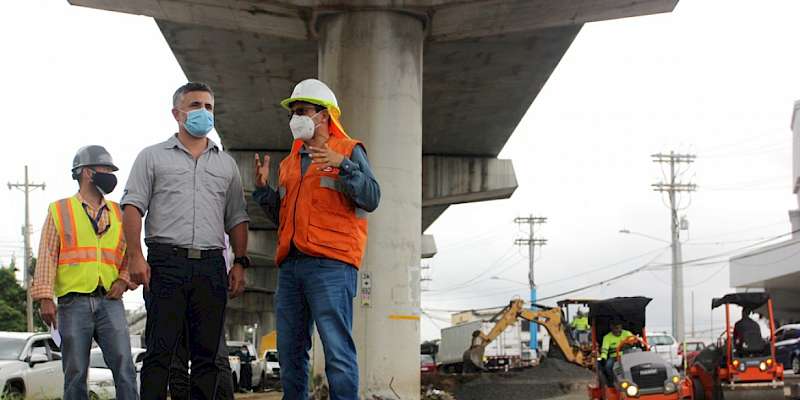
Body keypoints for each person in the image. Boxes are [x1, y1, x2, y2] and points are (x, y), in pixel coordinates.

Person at [253, 78, 381, 400]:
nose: (295, 118)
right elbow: (286, 219)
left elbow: (372, 197)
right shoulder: (288, 164)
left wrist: (345, 166)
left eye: (302, 111)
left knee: (337, 350)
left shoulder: (348, 150)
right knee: (290, 352)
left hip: (332, 265)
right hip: (291, 267)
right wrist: (263, 192)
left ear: (323, 115)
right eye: (292, 112)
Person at [122, 81, 251, 400]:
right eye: (195, 105)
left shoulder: (226, 164)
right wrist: (135, 256)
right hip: (166, 264)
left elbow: (237, 217)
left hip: (211, 267)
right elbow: (133, 206)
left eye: (209, 107)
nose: (203, 112)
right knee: (160, 352)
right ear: (176, 113)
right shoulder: (152, 157)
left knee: (208, 357)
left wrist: (240, 262)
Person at [30, 145, 138, 400]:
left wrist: (123, 280)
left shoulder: (119, 213)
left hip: (110, 301)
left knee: (124, 366)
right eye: (106, 169)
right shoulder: (60, 210)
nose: (111, 176)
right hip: (73, 303)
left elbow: (131, 254)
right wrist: (45, 298)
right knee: (75, 372)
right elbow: (47, 255)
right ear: (87, 173)